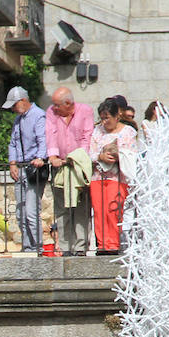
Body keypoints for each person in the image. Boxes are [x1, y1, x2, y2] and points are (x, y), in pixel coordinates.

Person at [45, 87, 95, 256]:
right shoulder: (51, 113)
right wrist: (53, 157)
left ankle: (80, 247)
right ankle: (65, 247)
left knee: (81, 208)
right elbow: (50, 134)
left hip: (77, 165)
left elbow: (86, 137)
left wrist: (76, 158)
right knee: (62, 209)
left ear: (68, 103)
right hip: (60, 166)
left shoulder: (85, 111)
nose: (55, 108)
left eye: (57, 105)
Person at [85, 97, 137, 255]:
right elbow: (90, 152)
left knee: (113, 210)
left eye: (107, 117)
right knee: (99, 211)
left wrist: (118, 155)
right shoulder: (97, 131)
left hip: (117, 178)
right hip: (98, 177)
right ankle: (102, 244)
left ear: (117, 116)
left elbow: (133, 154)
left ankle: (113, 243)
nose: (104, 121)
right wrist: (100, 157)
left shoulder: (128, 132)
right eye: (102, 118)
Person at [3, 86, 47, 254]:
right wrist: (12, 163)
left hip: (33, 168)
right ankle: (27, 247)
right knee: (21, 213)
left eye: (14, 105)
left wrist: (40, 158)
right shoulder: (18, 120)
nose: (13, 110)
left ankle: (38, 247)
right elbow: (13, 143)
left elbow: (42, 140)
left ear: (23, 101)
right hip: (20, 168)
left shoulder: (38, 116)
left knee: (30, 211)